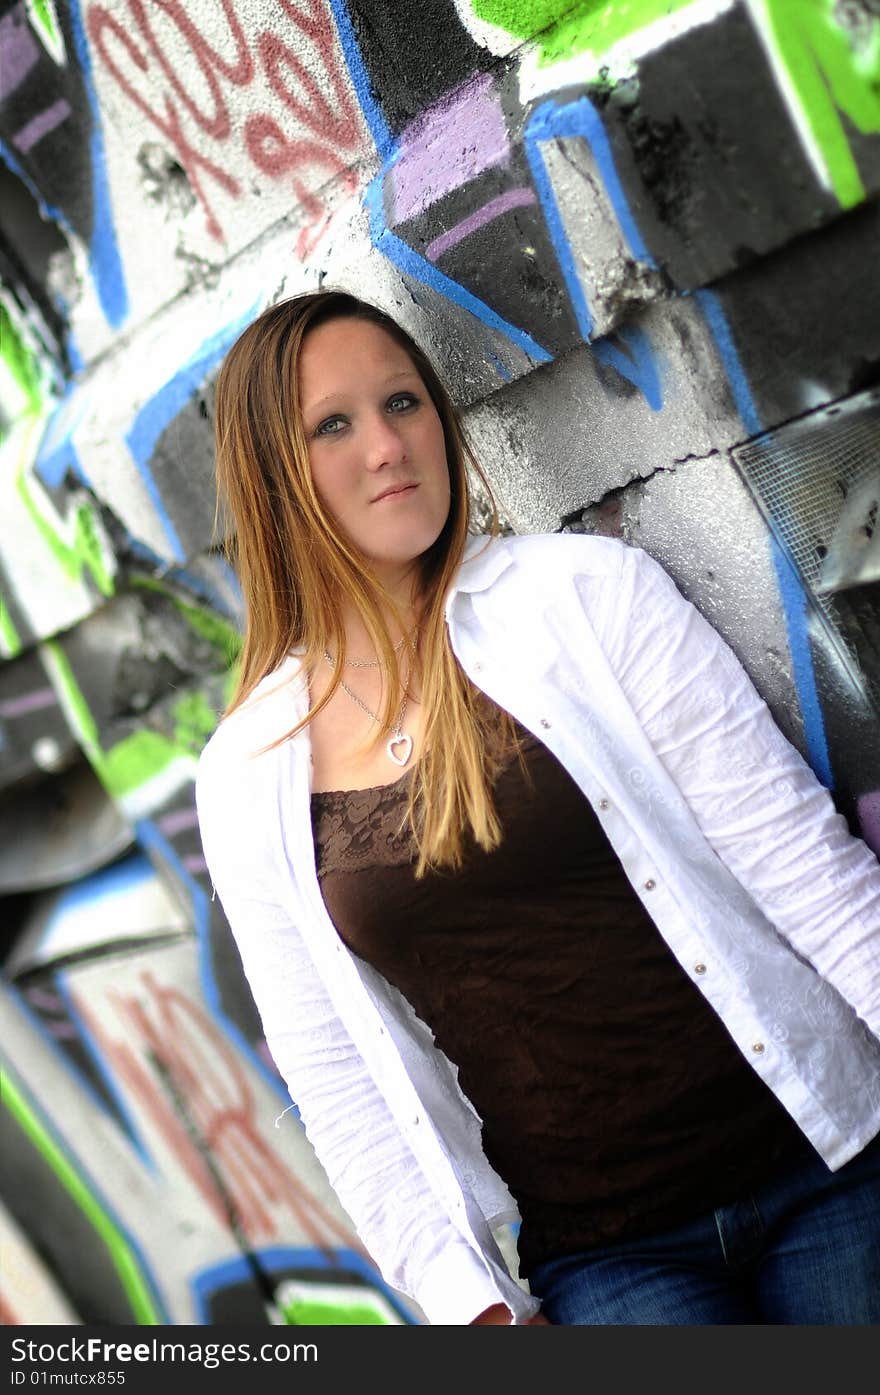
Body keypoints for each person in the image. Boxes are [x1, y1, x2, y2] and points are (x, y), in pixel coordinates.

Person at [196, 290, 880, 1326]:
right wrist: (463, 1303)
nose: (386, 445)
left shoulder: (583, 598)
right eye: (332, 425)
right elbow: (330, 1069)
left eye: (403, 403)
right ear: (270, 475)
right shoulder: (249, 769)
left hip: (824, 1167)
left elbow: (801, 865)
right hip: (608, 1258)